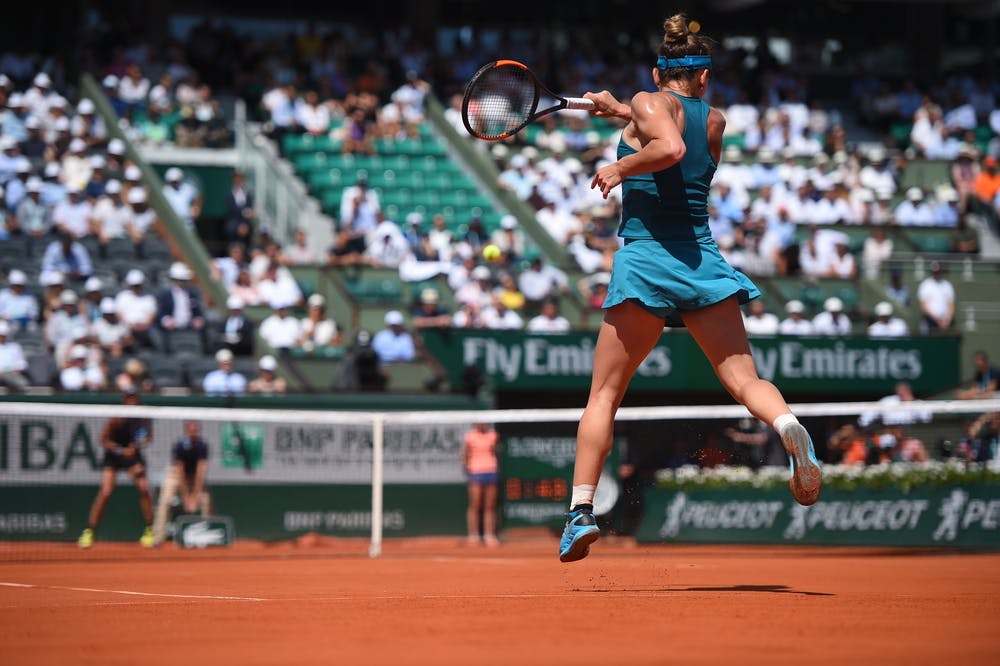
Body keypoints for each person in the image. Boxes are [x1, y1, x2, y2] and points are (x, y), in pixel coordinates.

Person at [557, 14, 820, 563]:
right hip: (702, 263)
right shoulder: (717, 120)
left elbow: (669, 147)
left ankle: (580, 511)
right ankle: (788, 424)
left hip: (648, 261)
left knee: (604, 395)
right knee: (745, 381)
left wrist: (619, 165)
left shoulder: (650, 103)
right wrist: (621, 112)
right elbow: (676, 133)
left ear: (658, 72)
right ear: (704, 78)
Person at [77, 389, 155, 548]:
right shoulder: (116, 418)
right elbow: (103, 439)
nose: (131, 401)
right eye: (128, 398)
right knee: (106, 491)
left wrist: (136, 446)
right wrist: (121, 451)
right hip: (114, 455)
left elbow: (147, 437)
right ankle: (89, 531)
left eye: (134, 398)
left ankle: (149, 530)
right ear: (124, 400)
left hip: (132, 456)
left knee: (144, 488)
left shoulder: (144, 417)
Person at [152, 420, 211, 547]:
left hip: (194, 476)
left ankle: (207, 535)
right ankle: (158, 537)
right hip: (175, 474)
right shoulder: (179, 445)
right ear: (186, 431)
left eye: (195, 431)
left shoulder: (203, 446)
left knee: (206, 500)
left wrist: (195, 495)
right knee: (165, 501)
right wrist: (186, 498)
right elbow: (180, 472)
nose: (193, 433)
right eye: (190, 431)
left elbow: (201, 472)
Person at [461, 422, 500, 547]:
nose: (481, 424)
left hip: (491, 471)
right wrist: (469, 469)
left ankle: (489, 535)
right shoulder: (470, 436)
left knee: (490, 506)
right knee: (475, 505)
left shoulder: (493, 435)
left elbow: (496, 453)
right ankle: (474, 535)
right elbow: (465, 455)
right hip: (475, 472)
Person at [917, 260, 955, 333]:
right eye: (935, 271)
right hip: (930, 323)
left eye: (938, 271)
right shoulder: (925, 285)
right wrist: (938, 321)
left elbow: (950, 305)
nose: (937, 273)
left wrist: (947, 321)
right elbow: (924, 306)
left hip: (945, 323)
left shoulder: (947, 285)